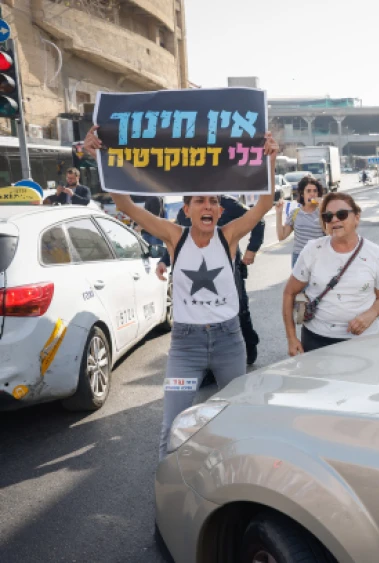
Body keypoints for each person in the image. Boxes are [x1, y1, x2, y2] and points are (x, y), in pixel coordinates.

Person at [81, 125, 278, 460]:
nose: (208, 205)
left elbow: (265, 203)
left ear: (219, 210)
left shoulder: (228, 236)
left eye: (213, 201)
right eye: (199, 200)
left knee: (236, 419)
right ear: (186, 210)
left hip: (230, 343)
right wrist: (101, 157)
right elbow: (125, 206)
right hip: (186, 348)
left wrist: (269, 160)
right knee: (173, 425)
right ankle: (166, 503)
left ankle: (229, 493)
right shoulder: (175, 236)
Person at [156, 195, 265, 365]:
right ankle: (207, 364)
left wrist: (252, 248)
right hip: (195, 274)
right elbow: (175, 240)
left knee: (239, 309)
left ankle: (248, 348)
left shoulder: (228, 203)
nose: (207, 206)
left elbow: (258, 219)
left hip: (226, 268)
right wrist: (164, 260)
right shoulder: (188, 206)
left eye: (212, 202)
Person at [282, 192, 379, 354]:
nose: (334, 220)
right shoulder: (312, 250)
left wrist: (371, 314)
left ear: (357, 217)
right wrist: (291, 338)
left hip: (365, 340)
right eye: (328, 216)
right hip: (317, 341)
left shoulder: (376, 253)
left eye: (342, 214)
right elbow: (289, 293)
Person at [275, 176, 326, 266]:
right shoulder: (295, 213)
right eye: (308, 191)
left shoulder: (323, 212)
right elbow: (281, 236)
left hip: (318, 257)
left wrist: (322, 209)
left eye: (315, 191)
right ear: (302, 194)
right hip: (299, 257)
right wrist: (279, 214)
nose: (312, 194)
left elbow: (328, 233)